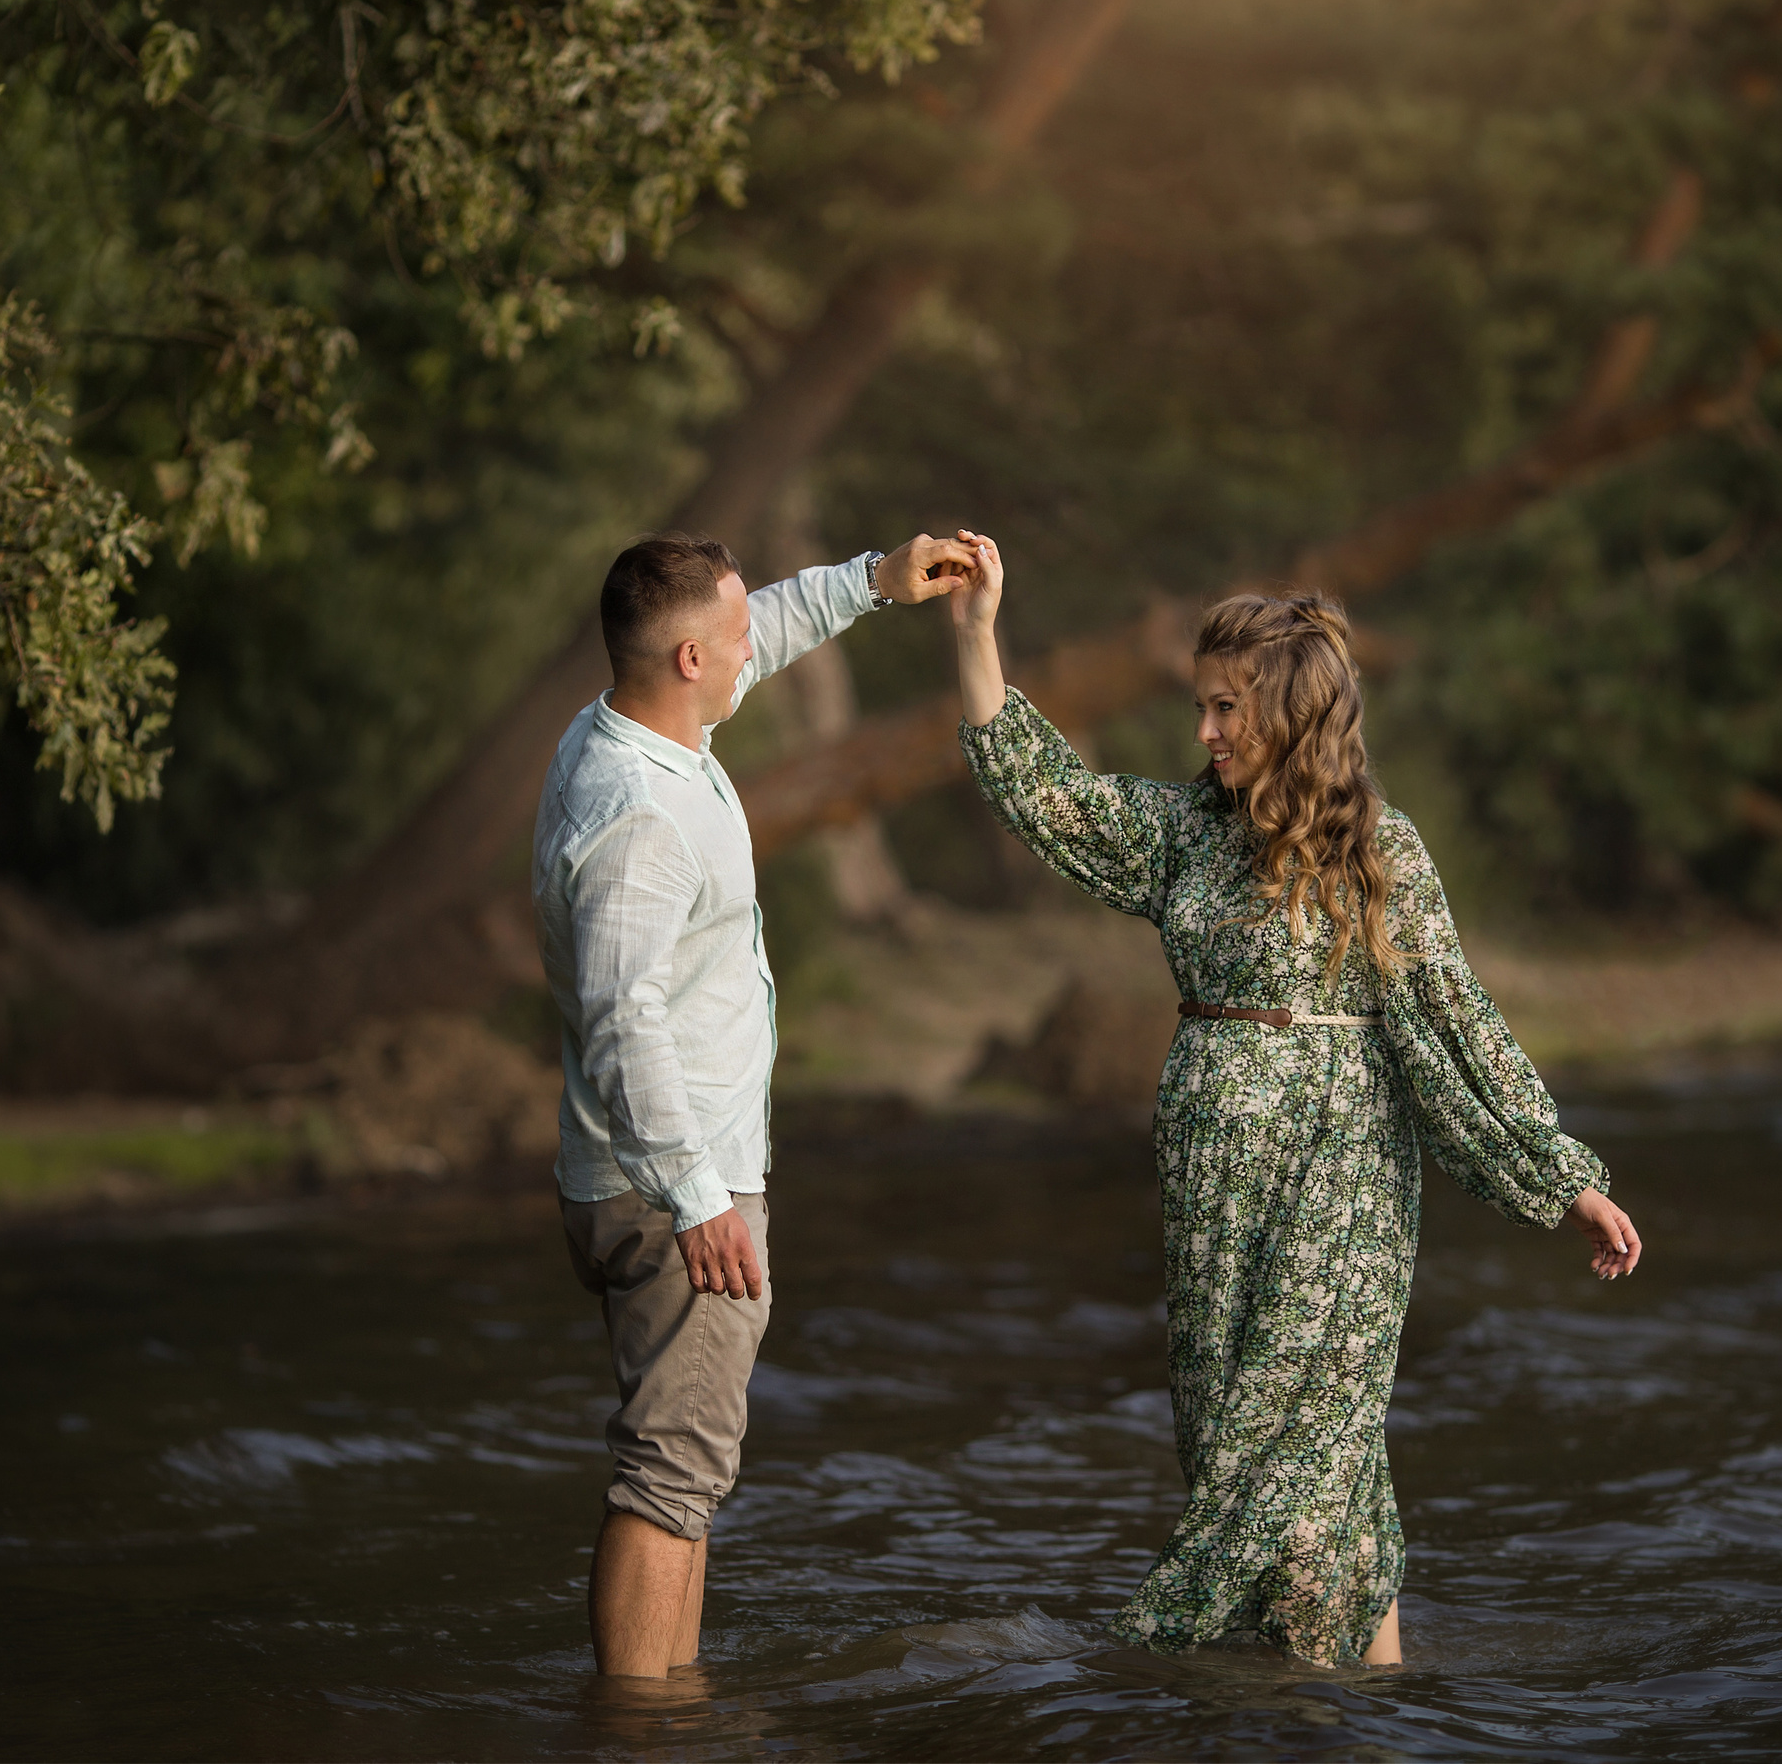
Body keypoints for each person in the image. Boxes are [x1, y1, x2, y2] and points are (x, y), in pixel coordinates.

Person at [945, 532, 1643, 1668]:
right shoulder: (1183, 834)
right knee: (1248, 1446)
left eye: (1225, 708)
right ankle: (1367, 1693)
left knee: (1301, 1452)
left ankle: (1146, 1662)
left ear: (1290, 708)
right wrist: (976, 632)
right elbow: (1045, 794)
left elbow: (1453, 1023)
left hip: (1345, 1171)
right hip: (1213, 1180)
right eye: (1201, 708)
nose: (1205, 733)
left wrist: (1561, 1175)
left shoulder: (1381, 854)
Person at [533, 528, 972, 1677]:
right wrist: (698, 1199)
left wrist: (875, 581)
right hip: (672, 1187)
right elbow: (623, 1020)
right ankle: (642, 1729)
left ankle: (669, 1708)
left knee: (683, 1470)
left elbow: (755, 627)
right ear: (686, 659)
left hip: (653, 1173)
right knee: (672, 1475)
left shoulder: (630, 722)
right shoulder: (639, 817)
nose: (748, 653)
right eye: (729, 641)